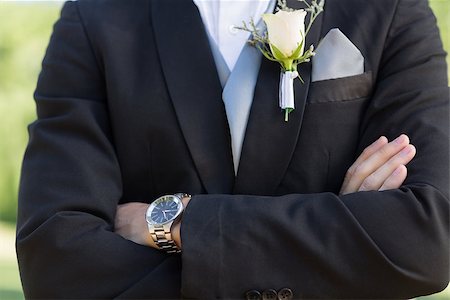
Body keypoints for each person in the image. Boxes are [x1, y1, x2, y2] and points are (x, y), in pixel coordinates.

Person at [16, 0, 449, 299]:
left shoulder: (390, 8)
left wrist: (172, 223)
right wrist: (340, 243)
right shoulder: (93, 17)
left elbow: (425, 240)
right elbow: (55, 263)